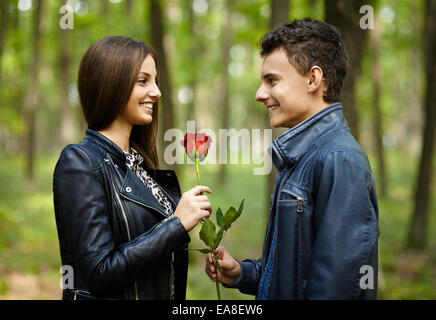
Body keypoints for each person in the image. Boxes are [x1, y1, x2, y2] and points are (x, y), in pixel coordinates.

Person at [205, 18, 379, 299]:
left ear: (313, 79)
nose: (259, 94)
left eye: (272, 80)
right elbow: (290, 274)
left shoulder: (338, 160)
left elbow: (336, 290)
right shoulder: (302, 157)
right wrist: (242, 272)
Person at [53, 35, 213, 300]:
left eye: (156, 81)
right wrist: (175, 225)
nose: (157, 92)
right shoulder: (80, 163)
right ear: (111, 83)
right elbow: (100, 274)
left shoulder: (140, 165)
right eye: (143, 81)